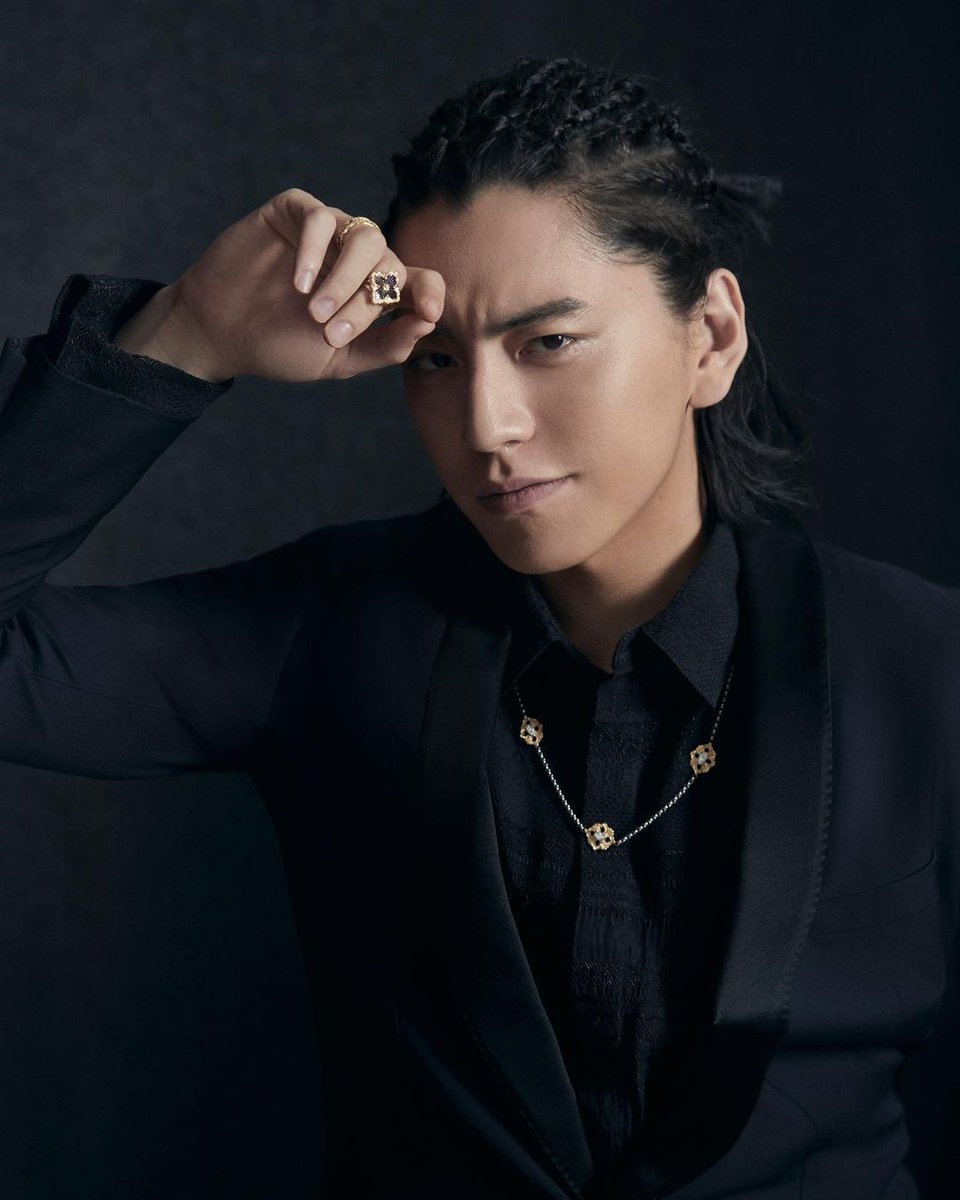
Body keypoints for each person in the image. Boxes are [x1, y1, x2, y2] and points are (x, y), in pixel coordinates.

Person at [0, 55, 955, 1200]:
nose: (486, 424)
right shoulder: (326, 630)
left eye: (549, 343)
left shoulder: (924, 668)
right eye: (438, 360)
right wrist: (185, 336)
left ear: (710, 337)